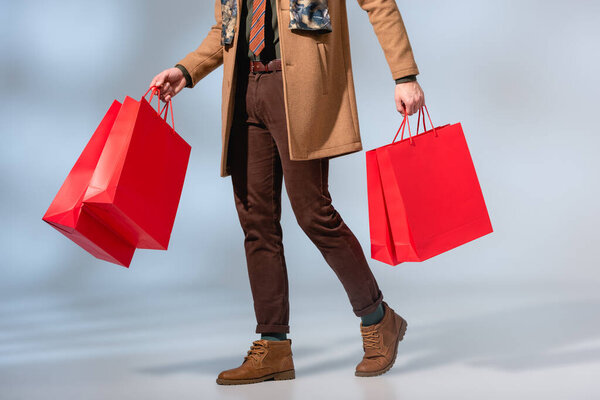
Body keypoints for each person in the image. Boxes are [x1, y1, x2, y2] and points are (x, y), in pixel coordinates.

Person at [150, 0, 424, 385]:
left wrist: (404, 75)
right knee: (256, 221)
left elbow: (379, 4)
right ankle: (273, 344)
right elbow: (225, 31)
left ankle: (379, 320)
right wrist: (185, 70)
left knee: (314, 213)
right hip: (244, 89)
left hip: (299, 89)